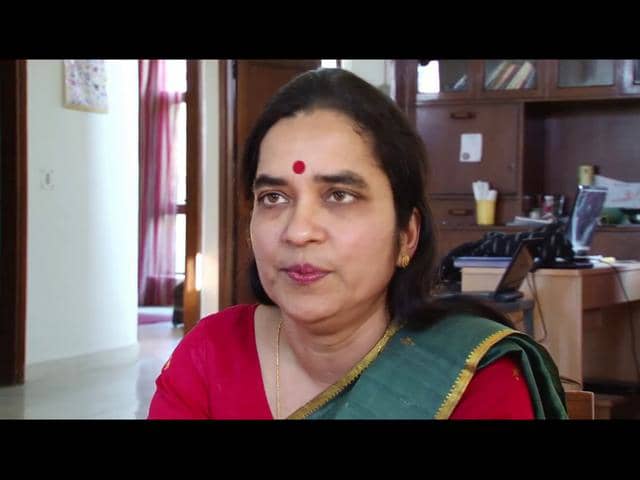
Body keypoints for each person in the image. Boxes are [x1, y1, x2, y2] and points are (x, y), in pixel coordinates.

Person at [148, 68, 568, 420]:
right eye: (273, 198)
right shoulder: (212, 352)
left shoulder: (471, 378)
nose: (297, 231)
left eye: (338, 195)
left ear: (406, 234)